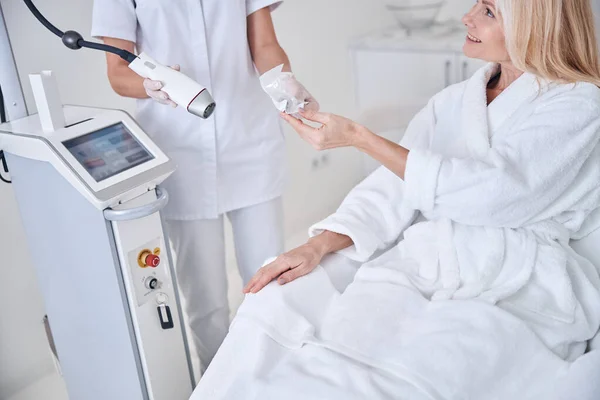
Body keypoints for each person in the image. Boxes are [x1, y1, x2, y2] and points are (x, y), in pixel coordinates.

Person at [242, 0, 600, 396]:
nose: (467, 17)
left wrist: (362, 139)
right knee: (329, 362)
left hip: (517, 282)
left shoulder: (578, 103)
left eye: (488, 12)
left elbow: (497, 194)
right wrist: (316, 245)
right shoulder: (453, 101)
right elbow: (392, 186)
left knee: (424, 375)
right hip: (426, 263)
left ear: (532, 27)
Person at [91, 0, 317, 371]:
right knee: (204, 296)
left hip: (249, 139)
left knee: (269, 279)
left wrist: (282, 83)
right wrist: (148, 86)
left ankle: (273, 373)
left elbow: (263, 44)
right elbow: (117, 70)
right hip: (180, 144)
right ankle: (220, 379)